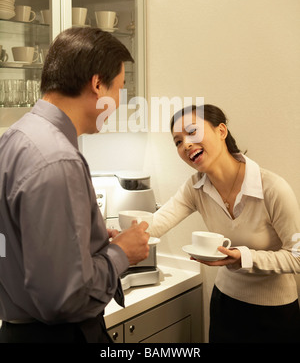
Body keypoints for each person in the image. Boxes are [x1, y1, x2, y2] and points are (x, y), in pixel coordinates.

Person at [0, 27, 150, 343]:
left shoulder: (13, 138)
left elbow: (20, 241)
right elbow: (65, 297)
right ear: (97, 84)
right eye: (120, 90)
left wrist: (88, 241)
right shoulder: (58, 160)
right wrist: (123, 251)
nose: (120, 103)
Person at [149, 104, 300, 343]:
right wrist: (120, 234)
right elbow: (157, 223)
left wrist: (244, 257)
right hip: (225, 305)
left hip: (275, 314)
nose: (186, 144)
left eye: (192, 132)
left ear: (221, 131)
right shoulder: (195, 187)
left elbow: (297, 256)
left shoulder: (272, 188)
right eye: (177, 141)